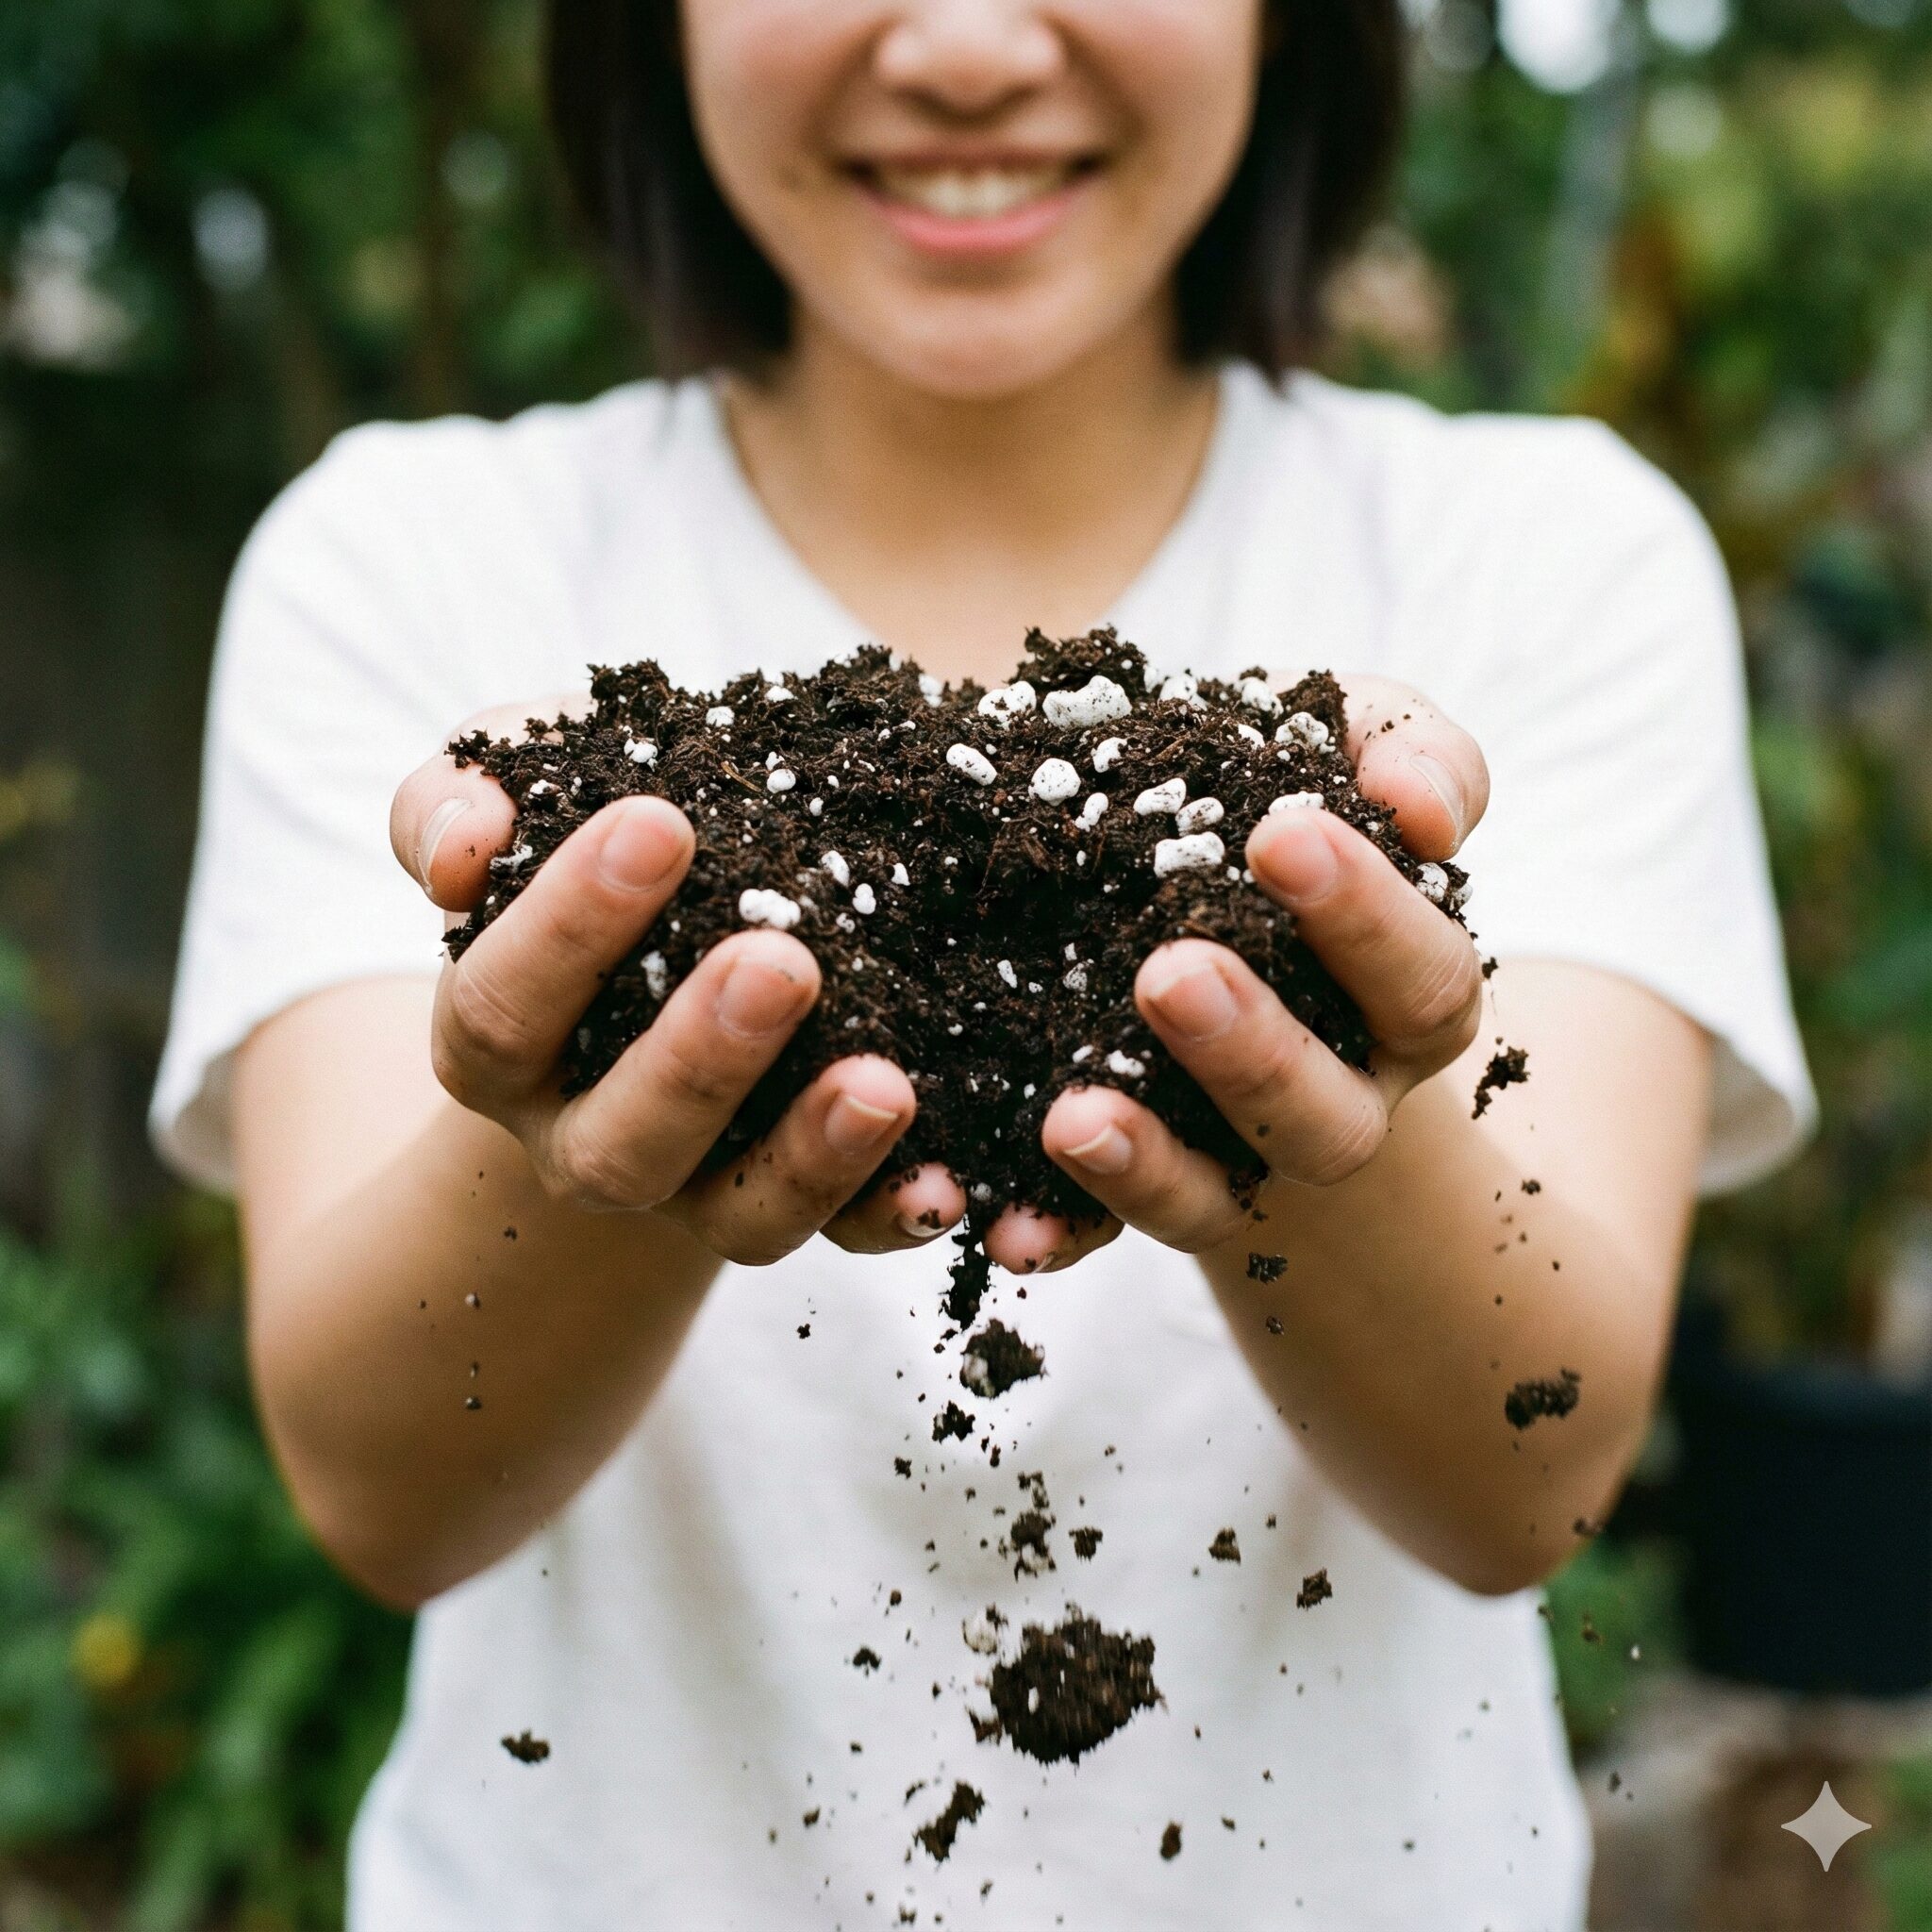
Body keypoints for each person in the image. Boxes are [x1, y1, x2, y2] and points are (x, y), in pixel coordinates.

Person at [152, 3, 1814, 1925]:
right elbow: (381, 1485)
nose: (957, 48)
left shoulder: (1543, 561)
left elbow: (1532, 1468)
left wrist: (1320, 1082)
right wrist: (602, 1082)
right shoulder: (409, 562)